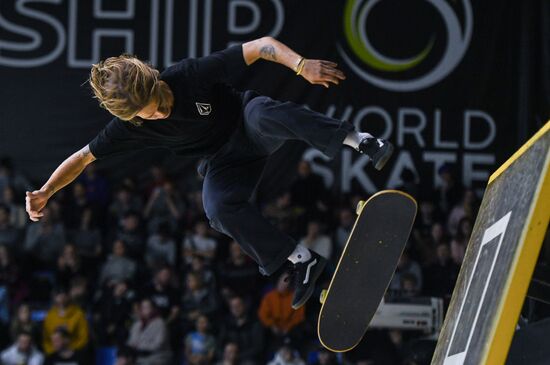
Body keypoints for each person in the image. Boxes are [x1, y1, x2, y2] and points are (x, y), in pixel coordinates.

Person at [25, 37, 393, 309]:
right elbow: (83, 157)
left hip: (248, 124)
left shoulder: (188, 75)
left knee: (265, 113)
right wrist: (46, 191)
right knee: (216, 208)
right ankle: (301, 260)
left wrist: (300, 65)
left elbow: (260, 46)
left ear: (155, 83)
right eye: (145, 116)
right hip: (224, 161)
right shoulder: (132, 125)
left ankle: (360, 141)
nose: (156, 115)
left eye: (155, 106)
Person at [42, 287, 89, 354]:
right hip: (54, 354)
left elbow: (83, 338)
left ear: (68, 296)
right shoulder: (49, 316)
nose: (61, 297)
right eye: (58, 295)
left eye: (64, 294)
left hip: (75, 354)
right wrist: (52, 352)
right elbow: (46, 340)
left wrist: (71, 351)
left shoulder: (78, 314)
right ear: (54, 298)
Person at [126, 298, 172, 365]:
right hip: (139, 357)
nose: (144, 309)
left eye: (147, 307)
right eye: (142, 307)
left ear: (153, 309)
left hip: (158, 357)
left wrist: (139, 346)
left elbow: (159, 344)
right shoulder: (137, 324)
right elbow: (131, 341)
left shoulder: (160, 323)